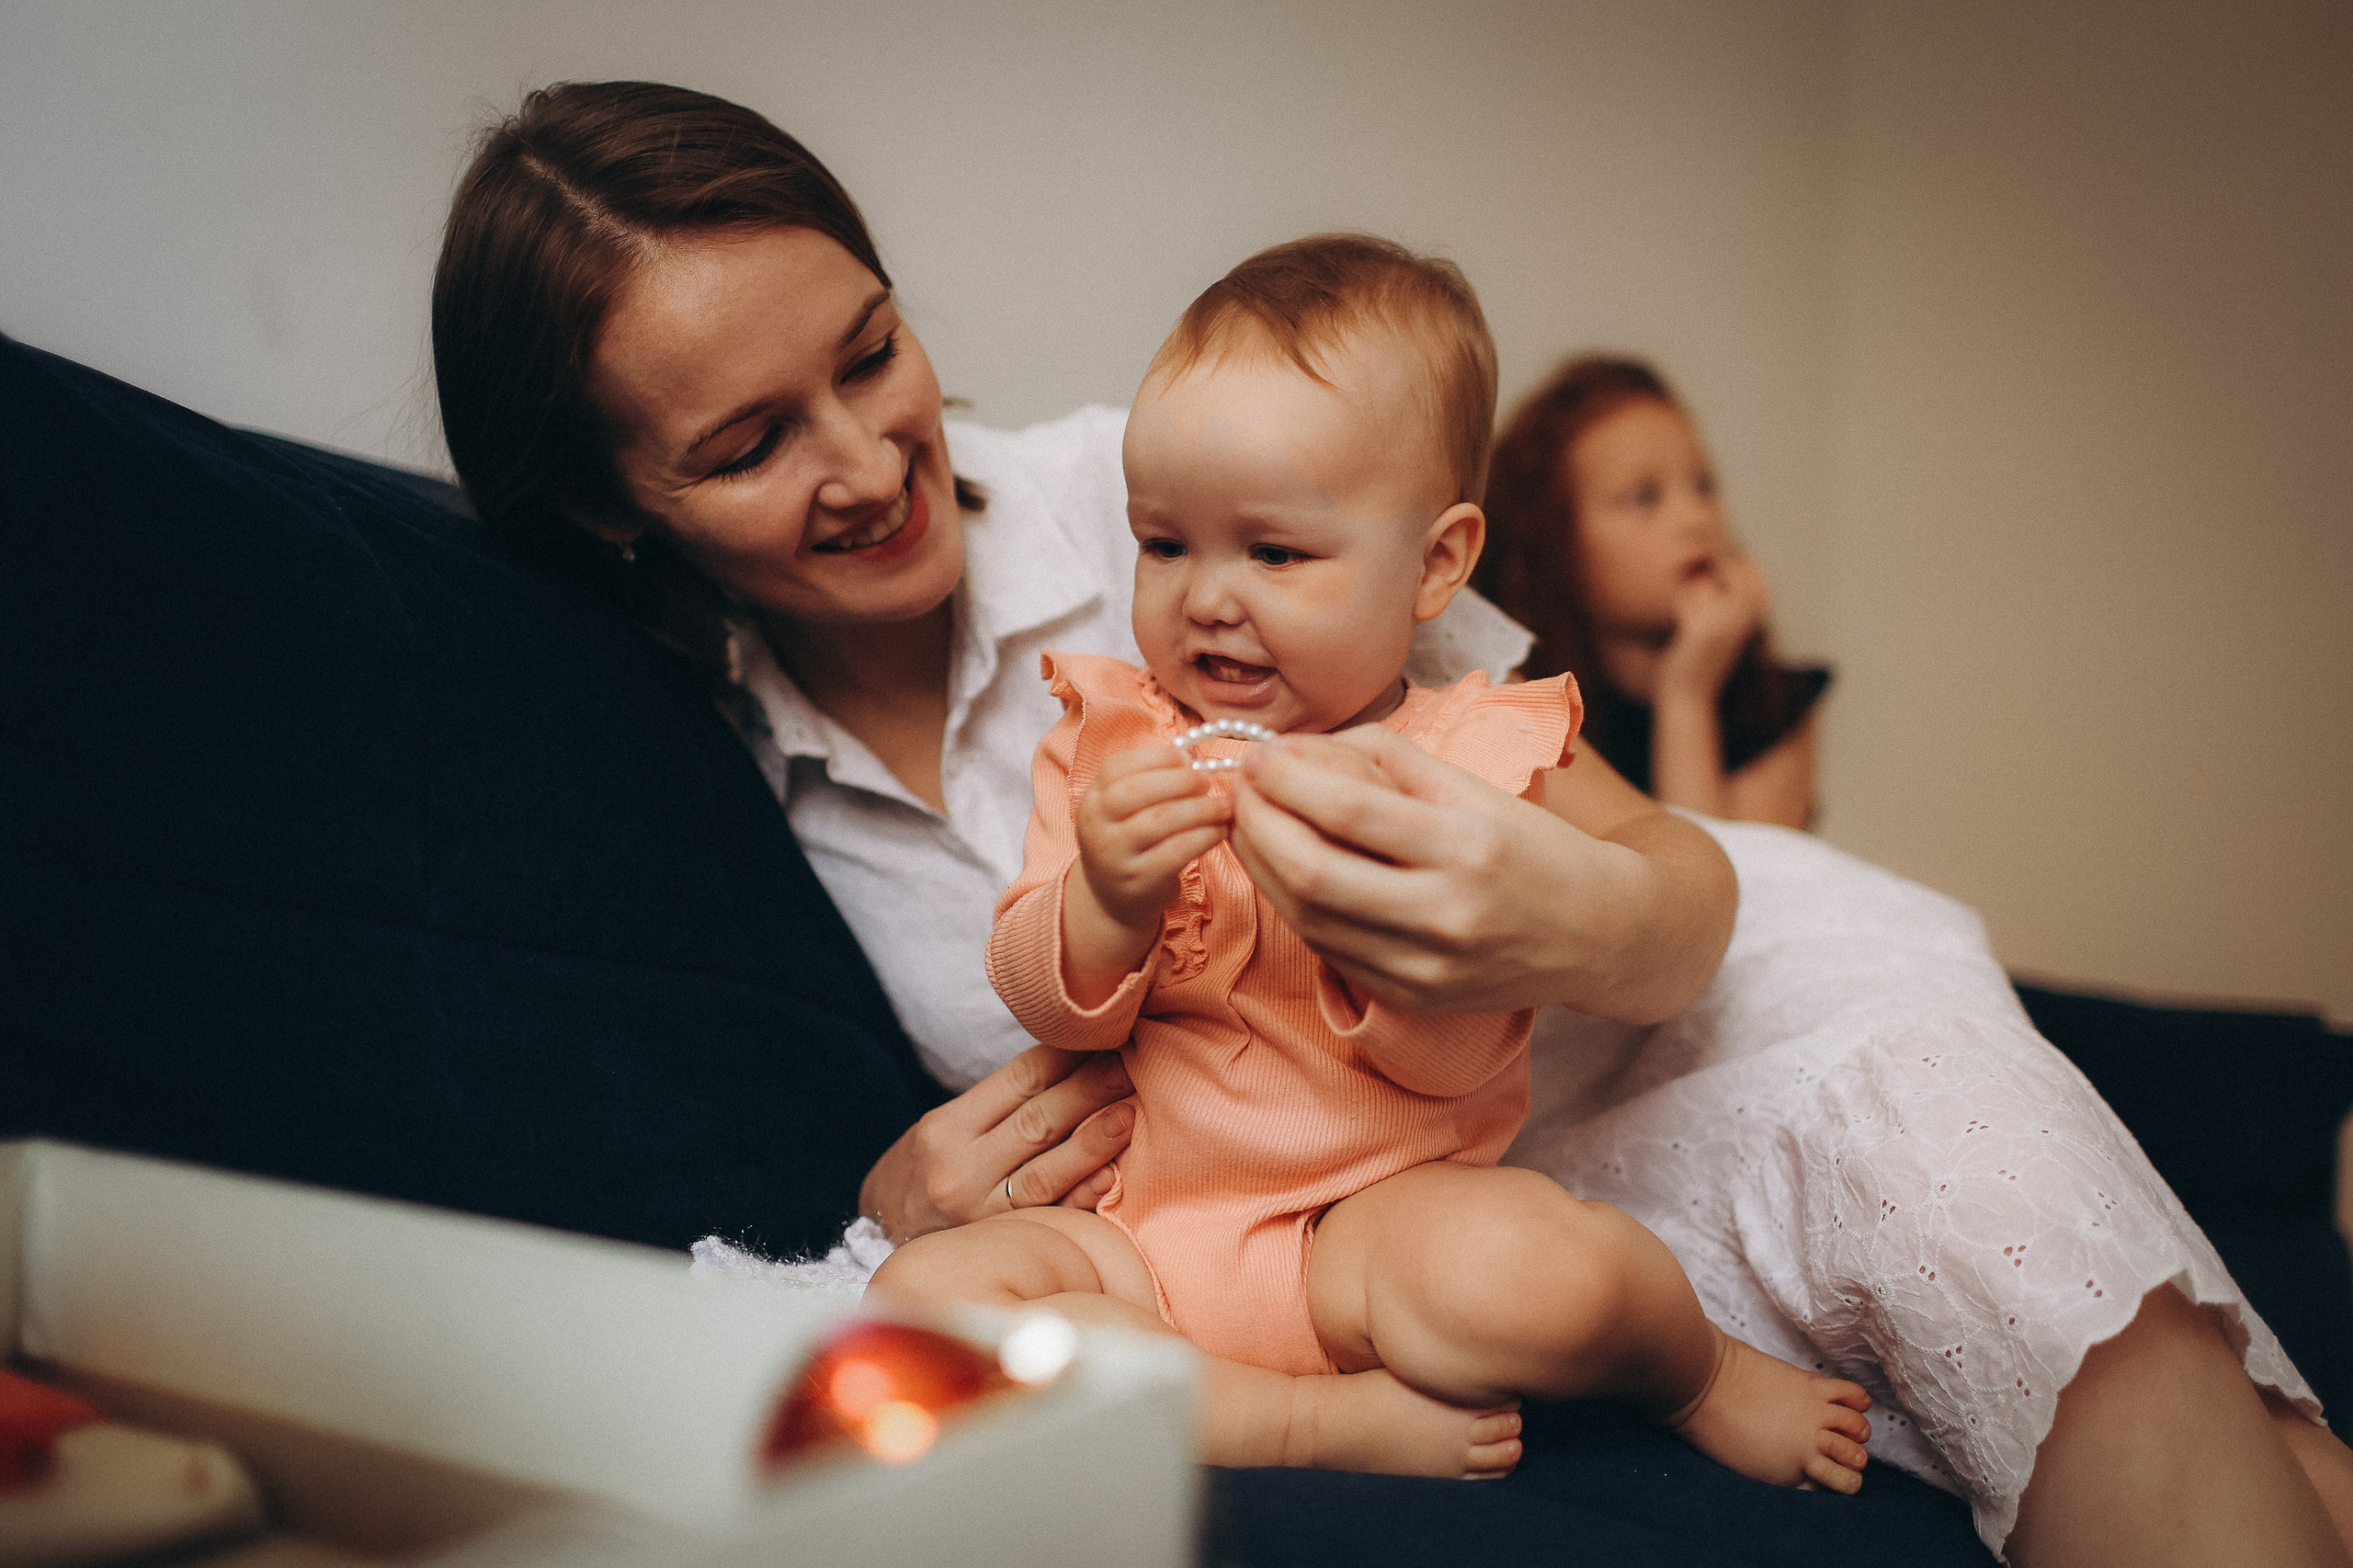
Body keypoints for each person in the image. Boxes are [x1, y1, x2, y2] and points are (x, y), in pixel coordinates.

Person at [427, 80, 2353, 1566]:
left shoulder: (1174, 480)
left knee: (1976, 1185)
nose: (868, 460)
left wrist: (1556, 920)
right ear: (615, 512)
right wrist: (897, 1201)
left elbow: (1677, 891)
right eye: (751, 443)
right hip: (1354, 1217)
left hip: (1667, 1026)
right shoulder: (689, 775)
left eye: (869, 350)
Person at [867, 235, 1875, 1492]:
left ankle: (1698, 1369)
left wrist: (1367, 933)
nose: (1208, 599)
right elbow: (1033, 985)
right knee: (922, 1299)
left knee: (1539, 1277)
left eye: (1275, 554)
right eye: (1164, 544)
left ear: (1436, 566)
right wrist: (1105, 899)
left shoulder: (1472, 750)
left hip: (1368, 1224)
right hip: (1138, 1227)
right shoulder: (1116, 738)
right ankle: (1306, 1424)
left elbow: (1461, 1049)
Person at [1475, 356, 1825, 827]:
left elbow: (1726, 892)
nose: (1696, 519)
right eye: (1645, 496)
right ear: (1553, 541)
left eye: (1703, 486)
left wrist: (1687, 695)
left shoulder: (1774, 706)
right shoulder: (1520, 707)